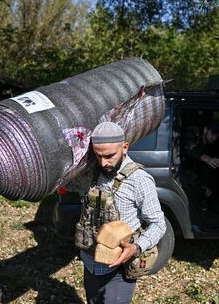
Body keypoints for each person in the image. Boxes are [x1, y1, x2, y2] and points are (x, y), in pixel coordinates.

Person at [76, 122, 166, 304]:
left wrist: (136, 247)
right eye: (98, 155)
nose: (103, 162)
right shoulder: (92, 172)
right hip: (90, 263)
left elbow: (158, 223)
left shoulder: (139, 180)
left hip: (119, 269)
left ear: (125, 147)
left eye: (109, 156)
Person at [189, 118, 219, 204]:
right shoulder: (193, 133)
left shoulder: (216, 142)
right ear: (205, 130)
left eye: (217, 136)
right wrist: (208, 159)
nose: (214, 138)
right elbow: (191, 150)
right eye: (213, 134)